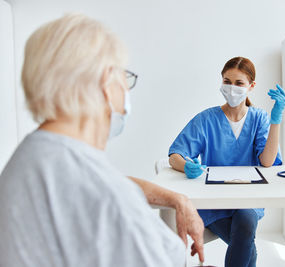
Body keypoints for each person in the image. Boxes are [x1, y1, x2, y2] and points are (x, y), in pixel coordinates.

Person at [0, 14, 204, 267]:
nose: (127, 91)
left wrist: (178, 198)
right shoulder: (102, 193)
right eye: (124, 77)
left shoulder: (33, 156)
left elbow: (102, 183)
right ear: (106, 82)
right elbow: (104, 190)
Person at [168, 56, 285, 267]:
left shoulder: (259, 118)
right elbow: (175, 154)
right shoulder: (206, 119)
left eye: (239, 83)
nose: (232, 88)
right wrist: (186, 165)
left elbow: (267, 162)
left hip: (247, 200)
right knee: (246, 239)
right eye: (227, 81)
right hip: (215, 204)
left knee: (246, 221)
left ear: (251, 86)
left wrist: (276, 120)